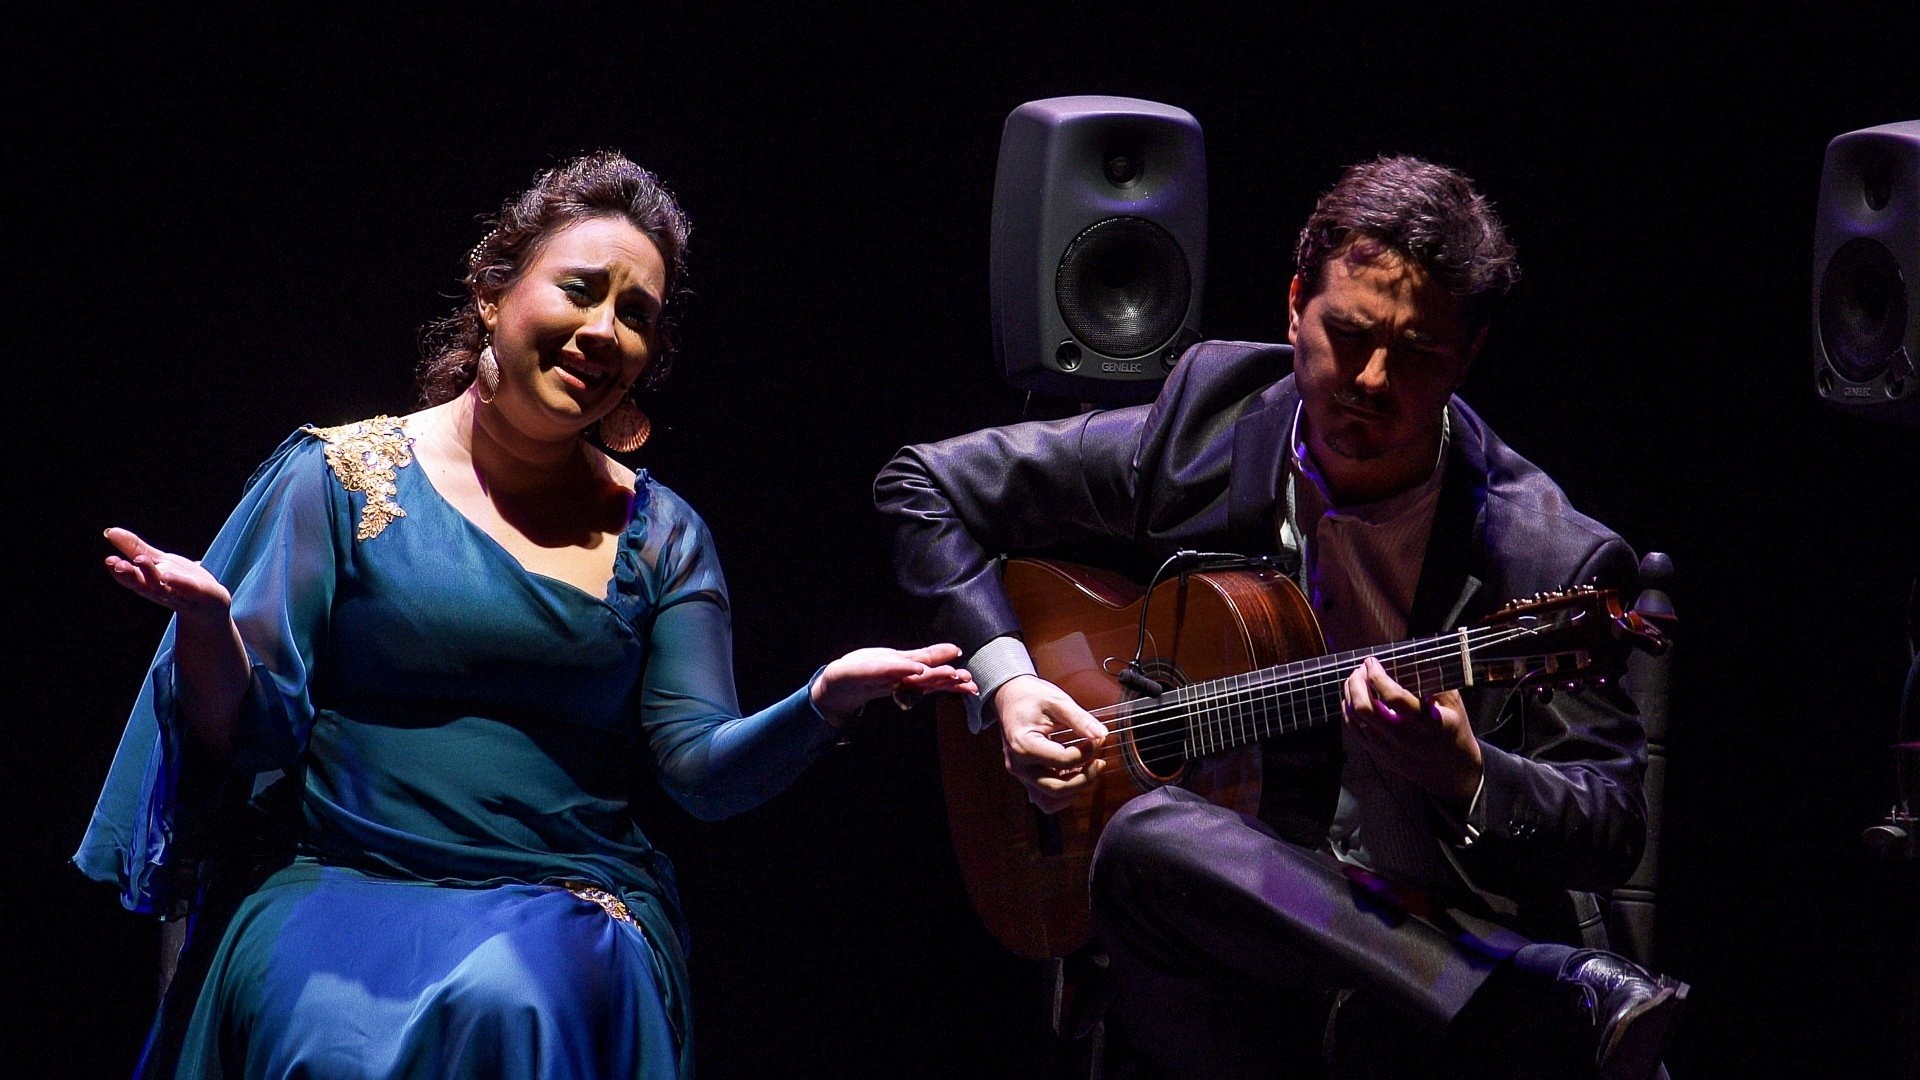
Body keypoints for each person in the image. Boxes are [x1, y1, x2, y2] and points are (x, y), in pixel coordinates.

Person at [75, 151, 975, 1080]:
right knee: (333, 1038)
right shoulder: (338, 478)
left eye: (637, 316)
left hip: (560, 896)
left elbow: (702, 772)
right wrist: (208, 627)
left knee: (510, 999)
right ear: (492, 293)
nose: (604, 331)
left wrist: (824, 700)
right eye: (580, 291)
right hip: (337, 877)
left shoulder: (661, 535)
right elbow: (247, 735)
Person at [875, 155, 1685, 1078]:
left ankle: (1491, 992)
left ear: (1470, 353)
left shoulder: (1546, 556)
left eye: (1417, 354)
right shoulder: (1203, 431)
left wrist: (1470, 774)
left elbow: (1612, 822)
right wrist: (1011, 684)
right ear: (1295, 304)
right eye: (1346, 332)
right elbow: (922, 484)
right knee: (1151, 841)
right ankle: (1525, 994)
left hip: (1427, 987)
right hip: (1228, 984)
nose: (1372, 380)